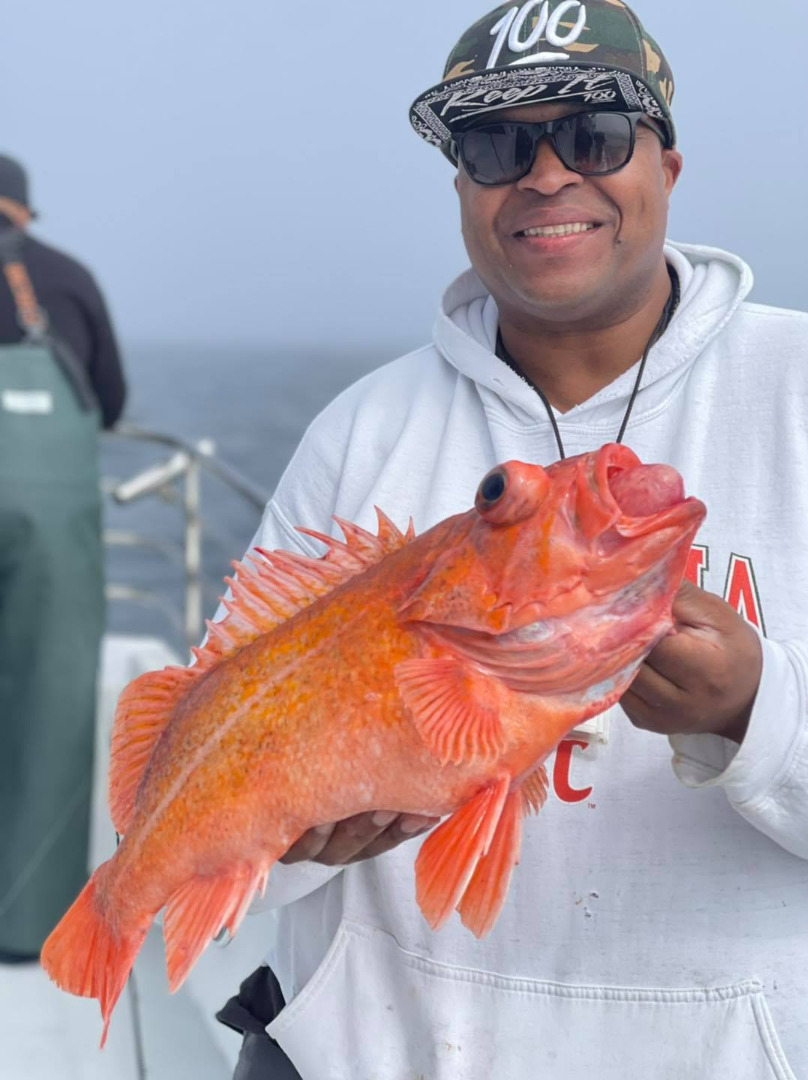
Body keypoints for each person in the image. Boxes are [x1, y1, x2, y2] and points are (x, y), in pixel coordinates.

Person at [217, 2, 808, 1076]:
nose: (543, 175)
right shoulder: (358, 433)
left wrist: (752, 712)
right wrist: (288, 831)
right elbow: (236, 757)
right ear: (461, 191)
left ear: (665, 167)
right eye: (495, 145)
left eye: (590, 136)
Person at [0, 154, 126, 962]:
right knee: (49, 707)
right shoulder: (67, 277)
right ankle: (24, 921)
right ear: (26, 213)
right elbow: (109, 401)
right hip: (50, 527)